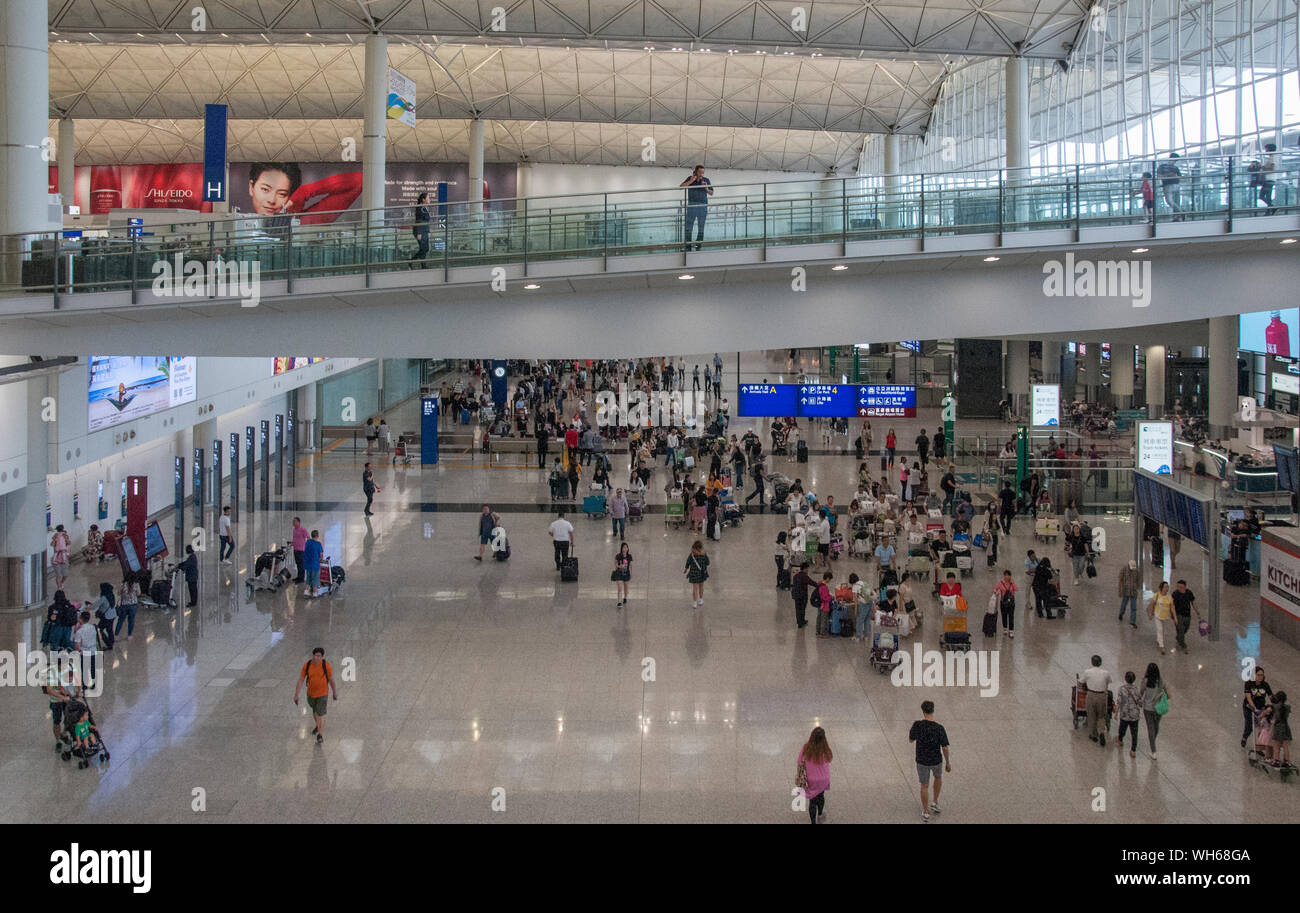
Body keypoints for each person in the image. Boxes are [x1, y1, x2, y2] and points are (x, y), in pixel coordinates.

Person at [909, 700, 951, 822]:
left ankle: (925, 811)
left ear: (923, 711)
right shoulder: (939, 728)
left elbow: (911, 740)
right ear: (933, 710)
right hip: (936, 759)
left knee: (924, 785)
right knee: (938, 778)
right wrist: (948, 762)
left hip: (922, 760)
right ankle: (935, 802)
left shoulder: (917, 725)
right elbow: (944, 747)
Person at [293, 647, 338, 745]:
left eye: (319, 656)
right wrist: (296, 694)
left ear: (322, 657)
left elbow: (331, 680)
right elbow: (301, 680)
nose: (317, 658)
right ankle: (318, 725)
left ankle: (320, 735)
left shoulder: (326, 666)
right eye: (315, 655)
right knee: (315, 711)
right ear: (313, 656)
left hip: (323, 694)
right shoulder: (307, 665)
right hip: (311, 694)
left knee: (320, 714)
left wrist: (334, 692)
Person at [796, 726, 833, 824]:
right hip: (824, 779)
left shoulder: (806, 748)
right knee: (821, 796)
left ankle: (813, 822)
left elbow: (799, 761)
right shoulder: (825, 749)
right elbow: (829, 759)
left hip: (811, 780)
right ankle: (820, 814)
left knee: (812, 801)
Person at [1080, 654, 1112, 746]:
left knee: (1091, 715)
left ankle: (1094, 735)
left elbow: (1081, 681)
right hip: (1102, 696)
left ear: (1092, 662)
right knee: (1101, 716)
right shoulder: (1106, 673)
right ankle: (1101, 732)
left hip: (1091, 694)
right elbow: (1109, 682)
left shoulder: (1087, 672)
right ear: (1100, 663)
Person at [679, 165, 713, 250]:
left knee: (701, 226)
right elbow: (681, 187)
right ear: (696, 172)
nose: (701, 174)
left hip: (702, 206)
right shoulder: (690, 178)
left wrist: (706, 188)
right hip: (692, 205)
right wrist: (690, 181)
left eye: (703, 172)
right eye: (700, 172)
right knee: (688, 226)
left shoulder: (706, 180)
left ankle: (698, 245)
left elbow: (711, 193)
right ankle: (688, 246)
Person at [1115, 671, 1145, 759]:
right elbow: (1140, 703)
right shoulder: (1136, 689)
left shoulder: (1122, 689)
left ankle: (1120, 739)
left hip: (1124, 714)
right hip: (1134, 715)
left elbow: (1119, 702)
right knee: (1134, 733)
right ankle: (1133, 750)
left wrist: (1116, 713)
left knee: (1122, 729)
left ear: (1125, 679)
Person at [1141, 662, 1167, 759]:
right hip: (1158, 708)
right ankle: (1153, 742)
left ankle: (1153, 750)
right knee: (1156, 726)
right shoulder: (1161, 681)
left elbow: (1141, 692)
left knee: (1150, 728)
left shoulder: (1145, 681)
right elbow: (1167, 693)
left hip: (1148, 708)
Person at [1243, 665, 1272, 748]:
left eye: (1262, 675)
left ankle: (1259, 746)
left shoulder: (1265, 685)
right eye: (1258, 675)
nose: (1260, 677)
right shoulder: (1249, 684)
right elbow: (1248, 697)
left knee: (1261, 726)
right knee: (1249, 725)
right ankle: (1245, 737)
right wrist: (1254, 707)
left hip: (1261, 706)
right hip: (1249, 707)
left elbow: (1270, 696)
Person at [1170, 579, 1200, 653]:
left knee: (1186, 628)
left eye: (1181, 587)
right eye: (1178, 586)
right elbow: (1171, 605)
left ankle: (1179, 638)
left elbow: (1193, 602)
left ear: (1185, 587)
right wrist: (1173, 615)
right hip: (1178, 614)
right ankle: (1183, 645)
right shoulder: (1175, 594)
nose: (1179, 588)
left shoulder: (1189, 593)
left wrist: (1197, 612)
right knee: (1180, 629)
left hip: (1187, 614)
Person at [1147, 580, 1173, 655]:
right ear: (1161, 588)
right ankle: (1162, 646)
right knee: (1160, 629)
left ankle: (1159, 639)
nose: (1167, 588)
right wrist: (1151, 613)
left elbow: (1172, 606)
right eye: (1165, 587)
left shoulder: (1169, 596)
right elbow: (1152, 604)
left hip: (1164, 616)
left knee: (1162, 629)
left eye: (1167, 587)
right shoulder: (1157, 595)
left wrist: (1173, 615)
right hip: (1157, 615)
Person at [684, 540, 710, 608]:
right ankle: (701, 600)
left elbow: (688, 562)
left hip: (694, 573)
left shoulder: (692, 554)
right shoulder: (704, 554)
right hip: (702, 573)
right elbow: (708, 563)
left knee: (695, 588)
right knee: (701, 587)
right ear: (701, 548)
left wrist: (686, 569)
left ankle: (694, 603)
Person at [1157, 152, 1183, 218]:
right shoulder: (1162, 166)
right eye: (1174, 160)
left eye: (1175, 161)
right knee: (1170, 201)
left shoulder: (1175, 168)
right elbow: (1159, 176)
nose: (1174, 162)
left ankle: (1177, 216)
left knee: (1175, 201)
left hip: (1176, 185)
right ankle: (1181, 212)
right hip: (1168, 185)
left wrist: (1175, 176)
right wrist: (1168, 175)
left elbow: (1180, 177)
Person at [993, 569, 1017, 639]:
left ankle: (1011, 631)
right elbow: (995, 589)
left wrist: (1012, 583)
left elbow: (1016, 589)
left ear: (1010, 576)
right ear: (1004, 576)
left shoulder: (1012, 583)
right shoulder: (1000, 583)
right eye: (1005, 575)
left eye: (1008, 575)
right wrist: (995, 592)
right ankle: (1005, 629)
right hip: (1003, 602)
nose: (1007, 577)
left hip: (1011, 603)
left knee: (1011, 616)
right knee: (1004, 615)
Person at [115, 573, 139, 641]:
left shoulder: (123, 584)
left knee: (120, 620)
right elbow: (138, 593)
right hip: (133, 605)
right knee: (131, 621)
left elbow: (118, 593)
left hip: (124, 605)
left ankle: (116, 635)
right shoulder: (136, 584)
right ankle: (129, 635)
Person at [92, 582, 116, 650]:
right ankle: (111, 642)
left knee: (99, 630)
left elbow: (94, 606)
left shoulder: (104, 598)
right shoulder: (112, 595)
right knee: (110, 629)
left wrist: (88, 607)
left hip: (106, 617)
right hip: (113, 615)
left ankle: (108, 644)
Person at [1270, 692, 1291, 768]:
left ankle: (1276, 760)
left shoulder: (1275, 707)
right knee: (1285, 746)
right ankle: (1287, 761)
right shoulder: (1288, 707)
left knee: (1276, 746)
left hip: (1278, 727)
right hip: (1285, 727)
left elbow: (1272, 701)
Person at [1117, 559, 1140, 627]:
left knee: (1134, 607)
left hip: (1134, 591)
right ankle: (1121, 613)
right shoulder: (1124, 570)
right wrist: (1119, 590)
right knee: (1124, 604)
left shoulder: (1137, 571)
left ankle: (1132, 621)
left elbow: (1138, 580)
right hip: (1126, 591)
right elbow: (1120, 580)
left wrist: (1137, 587)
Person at [410, 192, 431, 267]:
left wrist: (428, 231)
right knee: (424, 248)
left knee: (425, 248)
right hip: (420, 231)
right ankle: (420, 264)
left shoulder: (424, 208)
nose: (430, 200)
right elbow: (419, 221)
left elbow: (426, 221)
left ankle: (419, 263)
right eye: (428, 198)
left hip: (424, 231)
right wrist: (419, 233)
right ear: (423, 199)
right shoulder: (420, 208)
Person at [301, 530, 323, 596]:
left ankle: (306, 591)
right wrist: (321, 559)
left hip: (308, 564)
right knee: (315, 578)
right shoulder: (318, 544)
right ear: (317, 536)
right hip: (315, 565)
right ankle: (315, 592)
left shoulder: (307, 542)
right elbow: (321, 554)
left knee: (309, 578)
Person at [791, 562, 812, 629]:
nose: (808, 570)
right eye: (807, 568)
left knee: (797, 609)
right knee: (802, 608)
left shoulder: (795, 576)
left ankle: (799, 622)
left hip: (796, 595)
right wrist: (820, 585)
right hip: (803, 595)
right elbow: (811, 582)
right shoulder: (805, 576)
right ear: (805, 569)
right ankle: (802, 621)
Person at [50, 525, 71, 590]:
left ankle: (61, 583)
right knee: (58, 575)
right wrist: (55, 539)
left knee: (65, 574)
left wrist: (66, 537)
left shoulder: (65, 536)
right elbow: (52, 545)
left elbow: (69, 543)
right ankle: (59, 587)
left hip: (64, 556)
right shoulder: (55, 536)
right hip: (56, 557)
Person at [613, 542, 632, 608]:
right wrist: (619, 566)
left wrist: (631, 574)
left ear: (628, 548)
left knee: (626, 588)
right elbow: (615, 564)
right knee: (620, 589)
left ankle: (625, 597)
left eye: (626, 547)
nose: (625, 549)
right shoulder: (618, 556)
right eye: (624, 547)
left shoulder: (629, 556)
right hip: (619, 574)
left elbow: (630, 566)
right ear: (621, 548)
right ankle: (619, 602)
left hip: (626, 574)